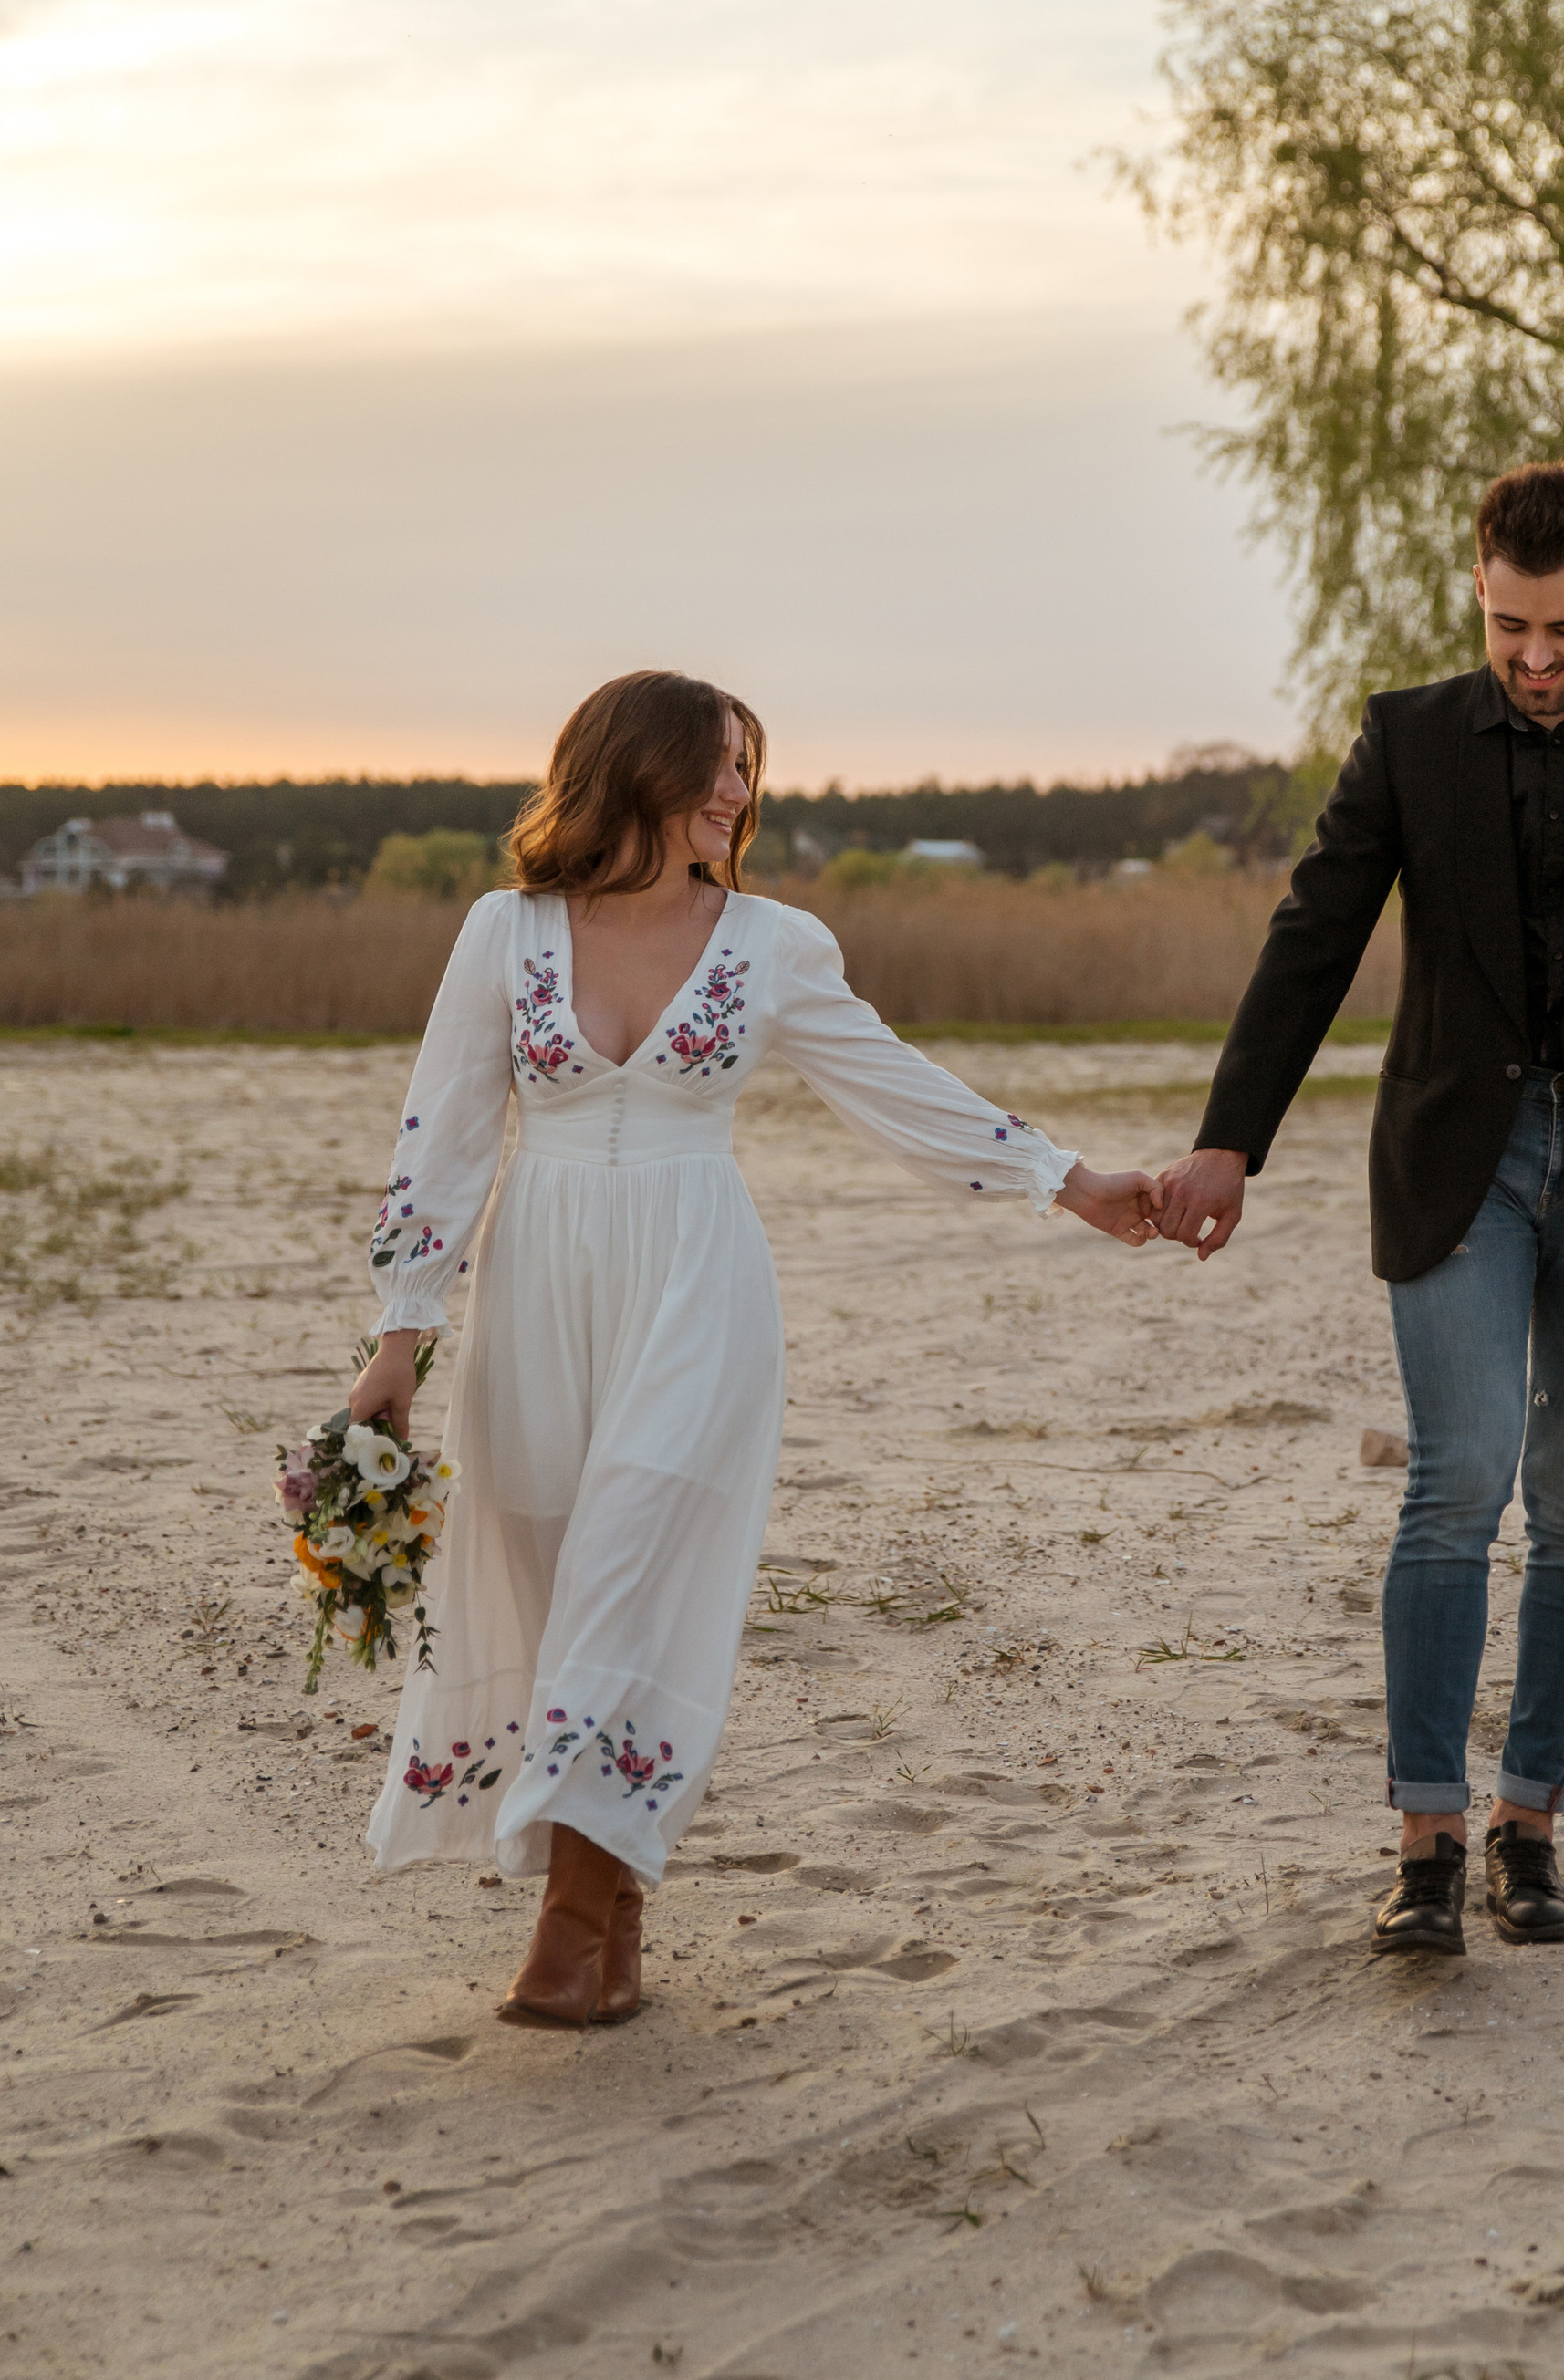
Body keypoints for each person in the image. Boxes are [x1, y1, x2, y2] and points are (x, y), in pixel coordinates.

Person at [351, 670, 1159, 2028]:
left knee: (630, 1571)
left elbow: (897, 1085)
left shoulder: (771, 945)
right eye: (717, 765)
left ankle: (565, 1930)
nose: (739, 792)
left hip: (695, 1288)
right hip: (538, 1289)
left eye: (745, 768)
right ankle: (614, 1911)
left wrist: (1069, 1183)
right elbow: (442, 1134)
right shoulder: (505, 931)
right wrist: (399, 1339)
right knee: (549, 1579)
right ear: (635, 769)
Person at [1155, 463, 1564, 1957]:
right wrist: (1229, 1140)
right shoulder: (1406, 739)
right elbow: (1313, 938)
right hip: (1463, 1157)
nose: (1537, 657)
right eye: (1512, 626)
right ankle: (1427, 1841)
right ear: (1478, 592)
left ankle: (1531, 1827)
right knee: (1457, 1482)